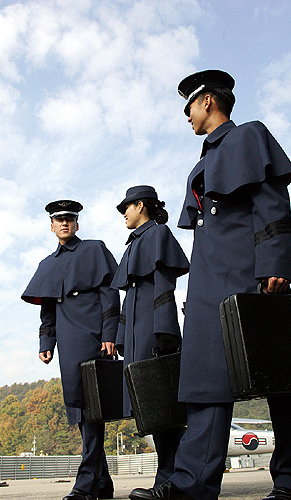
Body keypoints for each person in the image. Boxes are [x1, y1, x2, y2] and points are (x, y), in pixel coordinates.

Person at [129, 71, 291, 500]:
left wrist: (274, 263)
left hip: (251, 273)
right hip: (209, 285)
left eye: (188, 107)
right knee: (204, 380)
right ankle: (192, 485)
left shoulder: (248, 135)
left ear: (208, 101)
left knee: (275, 380)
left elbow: (271, 200)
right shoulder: (202, 161)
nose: (187, 116)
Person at [22, 200, 120, 500]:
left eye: (69, 219)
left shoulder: (94, 249)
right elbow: (47, 311)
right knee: (78, 411)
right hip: (67, 342)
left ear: (77, 224)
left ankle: (85, 485)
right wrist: (45, 343)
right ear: (51, 226)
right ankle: (102, 484)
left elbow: (110, 295)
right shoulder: (47, 265)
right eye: (59, 220)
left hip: (93, 337)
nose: (64, 224)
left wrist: (109, 334)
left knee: (93, 410)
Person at [111, 185, 189, 486]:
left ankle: (172, 476)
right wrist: (120, 335)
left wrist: (166, 331)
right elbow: (128, 295)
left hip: (152, 330)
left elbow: (164, 286)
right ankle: (171, 474)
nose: (125, 215)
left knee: (162, 406)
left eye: (126, 209)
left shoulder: (157, 235)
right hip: (134, 332)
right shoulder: (132, 244)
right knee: (150, 406)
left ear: (140, 205)